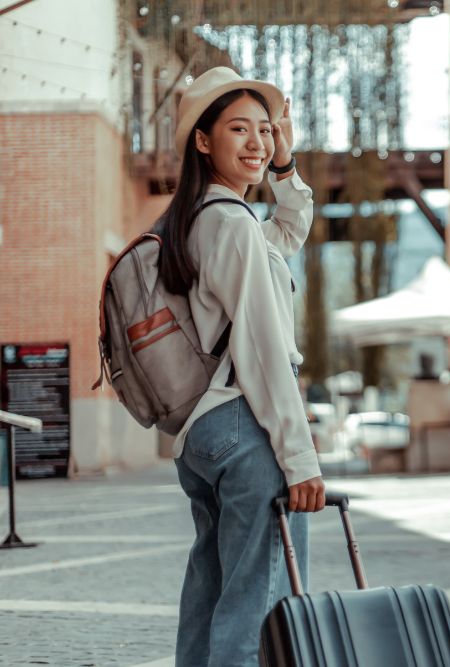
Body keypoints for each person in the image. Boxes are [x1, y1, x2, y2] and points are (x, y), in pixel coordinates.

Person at [156, 66, 325, 666]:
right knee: (257, 607)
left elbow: (290, 229)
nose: (257, 141)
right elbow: (263, 350)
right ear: (203, 141)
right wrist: (299, 458)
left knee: (211, 595)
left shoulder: (201, 220)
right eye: (238, 129)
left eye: (264, 129)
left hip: (202, 431)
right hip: (243, 425)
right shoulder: (231, 225)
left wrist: (285, 167)